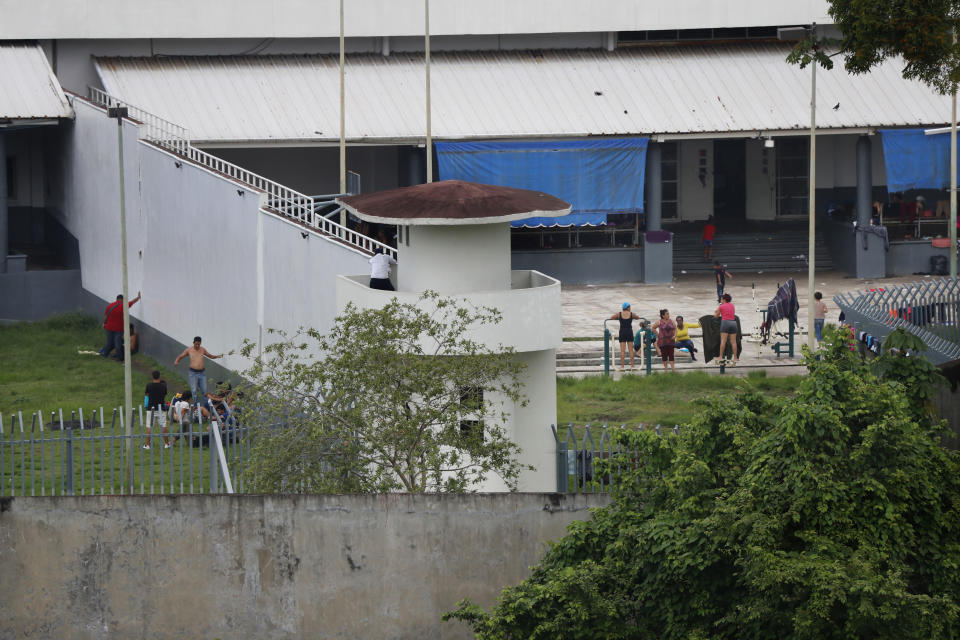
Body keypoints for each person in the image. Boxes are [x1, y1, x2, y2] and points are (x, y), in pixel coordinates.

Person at [174, 336, 223, 408]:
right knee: (194, 390)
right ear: (193, 343)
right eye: (196, 344)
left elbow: (210, 356)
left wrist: (217, 356)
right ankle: (196, 406)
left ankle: (205, 406)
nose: (197, 346)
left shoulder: (202, 349)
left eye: (199, 344)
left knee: (204, 390)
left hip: (202, 373)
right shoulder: (189, 350)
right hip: (193, 373)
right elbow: (181, 356)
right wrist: (177, 361)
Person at [99, 291, 141, 360]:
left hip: (109, 327)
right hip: (118, 329)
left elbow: (105, 316)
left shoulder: (110, 305)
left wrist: (104, 323)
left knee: (109, 342)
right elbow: (132, 302)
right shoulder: (123, 305)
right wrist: (138, 297)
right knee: (117, 343)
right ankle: (120, 358)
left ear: (116, 299)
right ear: (123, 300)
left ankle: (104, 354)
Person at [609, 302, 640, 371]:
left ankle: (622, 366)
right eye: (630, 307)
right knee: (631, 350)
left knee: (622, 351)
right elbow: (637, 317)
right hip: (629, 332)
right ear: (627, 307)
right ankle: (632, 366)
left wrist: (618, 318)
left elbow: (611, 317)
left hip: (622, 332)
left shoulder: (619, 314)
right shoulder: (631, 314)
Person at [143, 370, 168, 449]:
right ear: (159, 376)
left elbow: (147, 394)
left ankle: (147, 445)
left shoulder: (149, 385)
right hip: (161, 408)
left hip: (151, 408)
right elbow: (164, 394)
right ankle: (167, 444)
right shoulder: (163, 386)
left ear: (152, 376)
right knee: (163, 426)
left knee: (150, 427)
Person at [714, 293, 738, 365]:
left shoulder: (721, 306)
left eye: (721, 299)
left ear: (724, 299)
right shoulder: (732, 305)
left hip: (725, 323)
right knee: (733, 342)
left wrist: (716, 311)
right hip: (733, 323)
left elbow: (716, 316)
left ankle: (720, 356)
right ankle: (735, 358)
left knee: (723, 341)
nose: (720, 300)